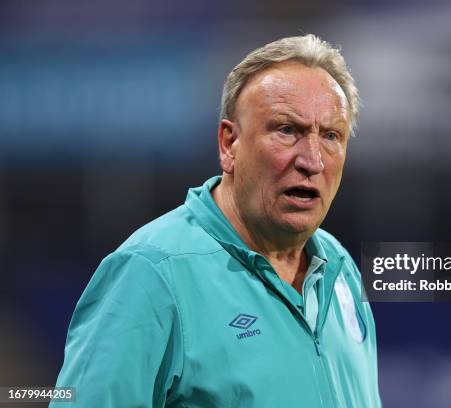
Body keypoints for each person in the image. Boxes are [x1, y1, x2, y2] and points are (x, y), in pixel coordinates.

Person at [51, 34, 381, 407]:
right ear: (229, 144)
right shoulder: (152, 273)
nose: (312, 160)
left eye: (331, 136)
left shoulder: (340, 269)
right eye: (288, 130)